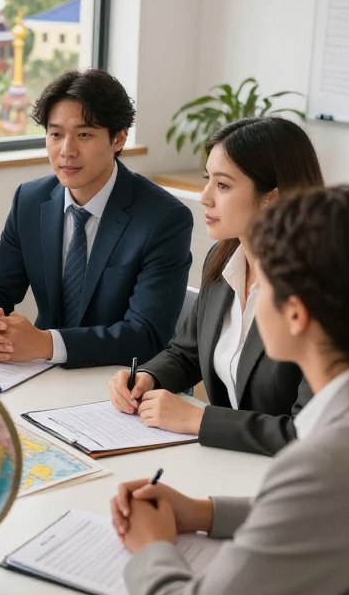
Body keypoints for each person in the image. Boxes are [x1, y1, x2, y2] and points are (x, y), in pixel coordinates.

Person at [111, 185, 349, 595]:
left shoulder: (328, 463)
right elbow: (328, 519)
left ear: (295, 314)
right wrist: (205, 512)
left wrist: (153, 548)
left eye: (263, 284)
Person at [108, 117, 323, 455]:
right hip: (227, 462)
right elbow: (187, 352)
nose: (204, 197)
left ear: (272, 197)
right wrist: (148, 377)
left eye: (223, 186)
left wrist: (199, 420)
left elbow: (308, 433)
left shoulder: (321, 292)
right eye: (208, 180)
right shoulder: (222, 261)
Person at [0, 69, 193, 368]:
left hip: (120, 383)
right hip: (42, 373)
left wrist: (46, 343)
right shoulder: (31, 201)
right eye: (56, 134)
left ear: (118, 138)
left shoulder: (163, 218)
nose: (66, 151)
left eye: (84, 135)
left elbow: (146, 335)